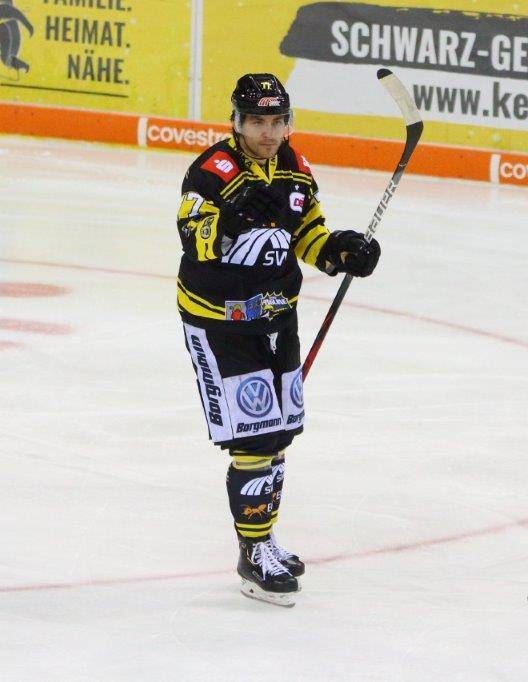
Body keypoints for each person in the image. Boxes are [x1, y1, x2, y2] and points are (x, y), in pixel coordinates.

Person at [176, 73, 381, 606]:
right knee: (253, 437)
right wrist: (232, 219)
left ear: (288, 123)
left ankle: (263, 538)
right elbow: (195, 239)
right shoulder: (211, 172)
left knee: (279, 431)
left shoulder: (296, 168)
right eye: (256, 122)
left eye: (276, 122)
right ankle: (253, 553)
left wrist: (341, 251)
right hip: (222, 321)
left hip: (276, 317)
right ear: (236, 123)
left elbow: (307, 235)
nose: (267, 133)